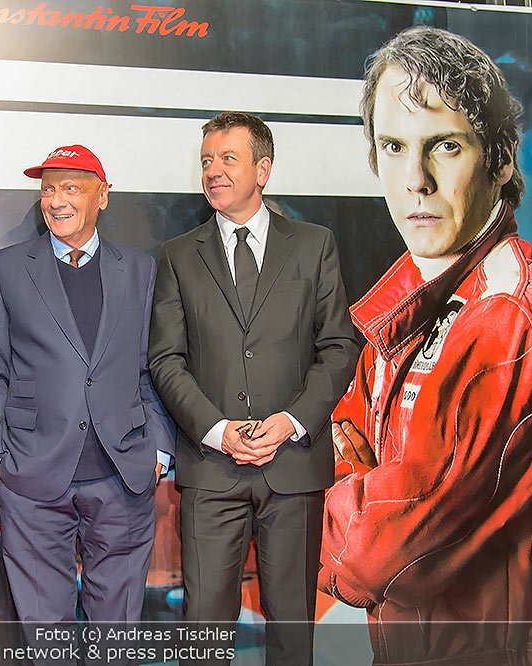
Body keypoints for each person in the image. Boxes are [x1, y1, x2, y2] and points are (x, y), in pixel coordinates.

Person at [318, 26, 532, 666]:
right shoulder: (416, 294)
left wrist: (325, 498)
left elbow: (376, 558)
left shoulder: (509, 318)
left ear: (500, 160)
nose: (415, 179)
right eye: (393, 146)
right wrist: (358, 489)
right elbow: (336, 436)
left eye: (445, 146)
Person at [148, 112, 358, 665]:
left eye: (227, 158)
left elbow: (339, 347)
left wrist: (289, 422)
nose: (212, 171)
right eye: (206, 161)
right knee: (203, 635)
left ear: (262, 170)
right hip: (211, 469)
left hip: (293, 468)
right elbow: (166, 359)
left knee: (292, 632)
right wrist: (217, 430)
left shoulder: (313, 245)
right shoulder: (178, 255)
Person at [0, 145, 175, 631]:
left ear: (102, 195)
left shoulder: (140, 269)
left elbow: (154, 367)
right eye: (48, 189)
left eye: (70, 188)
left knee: (117, 633)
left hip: (123, 476)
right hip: (31, 479)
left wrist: (159, 451)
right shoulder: (4, 268)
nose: (56, 200)